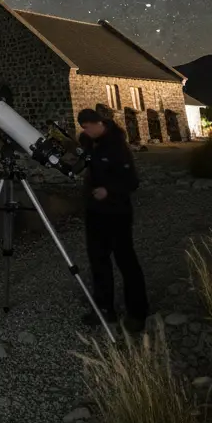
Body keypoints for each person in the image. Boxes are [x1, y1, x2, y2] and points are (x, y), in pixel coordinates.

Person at [77, 107, 149, 334]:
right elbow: (84, 161)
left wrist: (108, 191)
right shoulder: (89, 142)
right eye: (83, 129)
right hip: (95, 212)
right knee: (98, 261)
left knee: (126, 261)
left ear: (99, 123)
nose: (85, 132)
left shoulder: (117, 146)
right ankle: (104, 309)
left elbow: (132, 182)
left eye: (87, 128)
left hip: (117, 212)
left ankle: (137, 313)